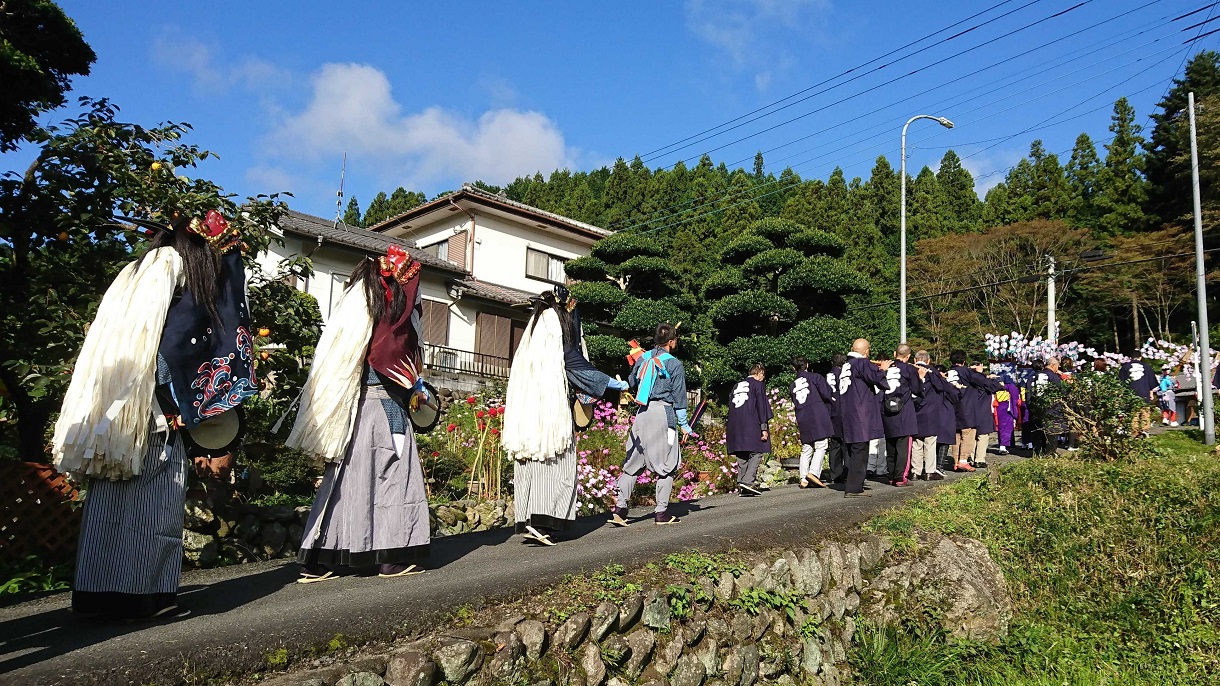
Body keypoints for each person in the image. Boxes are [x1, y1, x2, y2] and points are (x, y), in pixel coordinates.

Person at [54, 210, 256, 619]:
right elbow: (173, 351)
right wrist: (180, 405)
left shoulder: (138, 274)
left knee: (111, 502)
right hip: (155, 416)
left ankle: (96, 596)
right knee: (151, 507)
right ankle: (143, 597)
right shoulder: (179, 282)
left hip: (116, 410)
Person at [290, 246, 432, 580]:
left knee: (343, 483)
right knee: (394, 479)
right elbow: (393, 366)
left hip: (352, 408)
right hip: (384, 407)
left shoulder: (358, 305)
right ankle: (393, 557)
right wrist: (415, 391)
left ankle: (320, 558)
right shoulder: (391, 325)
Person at [503, 288, 628, 543]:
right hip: (552, 413)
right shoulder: (557, 334)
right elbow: (575, 365)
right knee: (555, 462)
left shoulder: (532, 338)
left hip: (527, 413)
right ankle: (543, 523)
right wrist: (614, 385)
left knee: (531, 461)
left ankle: (528, 520)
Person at [613, 321, 688, 526]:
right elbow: (680, 396)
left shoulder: (643, 358)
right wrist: (685, 424)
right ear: (671, 341)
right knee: (667, 464)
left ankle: (620, 509)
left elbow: (632, 381)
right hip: (663, 413)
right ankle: (661, 513)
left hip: (641, 413)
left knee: (633, 462)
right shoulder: (674, 364)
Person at [838, 339, 891, 497]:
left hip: (847, 411)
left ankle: (852, 483)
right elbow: (879, 380)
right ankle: (854, 488)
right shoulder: (863, 363)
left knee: (853, 448)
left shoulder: (847, 365)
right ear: (866, 351)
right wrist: (883, 370)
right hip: (860, 411)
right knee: (860, 449)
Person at [948, 351, 1003, 471]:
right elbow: (983, 381)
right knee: (968, 434)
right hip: (966, 408)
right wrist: (984, 375)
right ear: (963, 361)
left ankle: (956, 461)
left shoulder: (949, 372)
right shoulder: (966, 372)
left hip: (952, 407)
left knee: (956, 435)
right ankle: (963, 461)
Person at [727, 363, 773, 496]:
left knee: (742, 453)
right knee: (757, 451)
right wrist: (763, 428)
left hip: (734, 424)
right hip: (751, 422)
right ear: (759, 373)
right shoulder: (758, 385)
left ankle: (742, 483)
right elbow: (761, 407)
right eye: (763, 375)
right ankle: (748, 482)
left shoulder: (736, 386)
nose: (763, 379)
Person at [881, 344, 922, 487]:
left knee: (890, 445)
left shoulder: (884, 367)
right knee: (903, 445)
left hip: (887, 409)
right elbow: (917, 389)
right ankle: (900, 477)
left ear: (894, 353)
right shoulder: (910, 369)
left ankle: (891, 475)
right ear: (909, 356)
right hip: (904, 410)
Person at [791, 356, 834, 488]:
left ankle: (803, 478)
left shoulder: (793, 385)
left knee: (807, 447)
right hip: (817, 413)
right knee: (821, 444)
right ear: (807, 365)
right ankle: (814, 473)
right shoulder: (815, 377)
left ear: (794, 368)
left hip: (802, 415)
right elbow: (827, 393)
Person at [912, 351, 951, 481]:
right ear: (928, 360)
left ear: (915, 359)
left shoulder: (911, 370)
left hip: (915, 410)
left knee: (917, 443)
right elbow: (942, 387)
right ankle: (929, 471)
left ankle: (915, 471)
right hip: (930, 411)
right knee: (930, 442)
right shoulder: (932, 372)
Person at [1026, 358, 1065, 454]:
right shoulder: (1053, 377)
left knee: (1037, 432)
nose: (1058, 368)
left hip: (1035, 408)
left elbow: (1027, 394)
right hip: (1051, 410)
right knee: (1051, 432)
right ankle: (1050, 453)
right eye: (1057, 366)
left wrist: (1030, 406)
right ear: (1053, 365)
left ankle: (1037, 453)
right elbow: (1063, 392)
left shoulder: (1032, 377)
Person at [1118, 353, 1158, 435]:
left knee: (1134, 413)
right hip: (1144, 392)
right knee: (1145, 412)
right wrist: (1151, 393)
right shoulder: (1147, 367)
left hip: (1131, 394)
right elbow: (1152, 382)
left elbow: (1120, 382)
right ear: (1140, 357)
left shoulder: (1125, 367)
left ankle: (1134, 431)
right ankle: (1145, 430)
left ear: (1130, 357)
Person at [825, 354, 848, 484]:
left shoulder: (828, 376)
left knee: (834, 444)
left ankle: (835, 474)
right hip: (844, 412)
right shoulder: (844, 376)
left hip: (831, 412)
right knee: (846, 444)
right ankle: (846, 472)